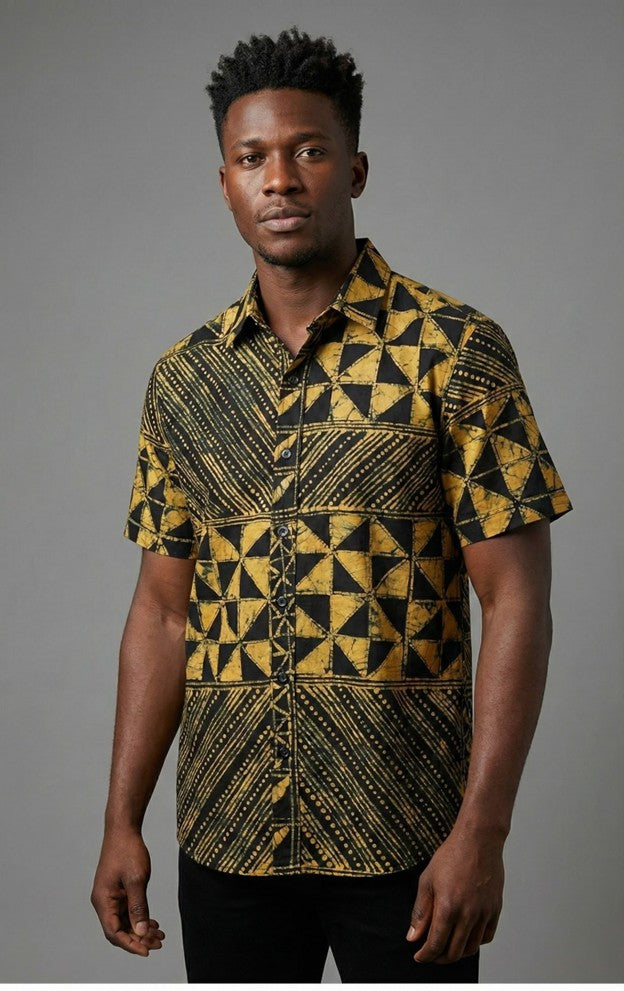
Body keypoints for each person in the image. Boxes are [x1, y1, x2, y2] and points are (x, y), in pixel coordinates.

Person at [91, 27, 572, 984]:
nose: (280, 179)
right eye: (252, 158)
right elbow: (162, 612)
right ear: (224, 182)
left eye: (307, 151)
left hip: (409, 839)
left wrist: (483, 830)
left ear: (354, 170)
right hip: (227, 837)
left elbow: (515, 600)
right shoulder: (183, 379)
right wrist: (120, 819)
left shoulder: (456, 350)